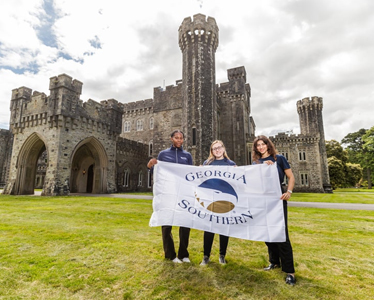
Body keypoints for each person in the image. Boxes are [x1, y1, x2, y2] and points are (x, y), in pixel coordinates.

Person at [252, 135, 296, 286]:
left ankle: (290, 271)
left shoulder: (279, 159)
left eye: (263, 144)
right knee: (267, 233)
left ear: (268, 145)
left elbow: (291, 177)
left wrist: (289, 192)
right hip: (263, 201)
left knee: (281, 234)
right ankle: (274, 262)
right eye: (258, 145)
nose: (261, 147)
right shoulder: (256, 163)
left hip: (277, 200)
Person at [147, 130, 193, 263]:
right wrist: (150, 166)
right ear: (171, 138)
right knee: (166, 223)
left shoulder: (187, 156)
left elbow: (191, 174)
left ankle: (183, 254)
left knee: (185, 223)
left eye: (181, 138)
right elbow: (157, 171)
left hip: (183, 193)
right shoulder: (163, 154)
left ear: (183, 140)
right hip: (168, 193)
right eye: (176, 138)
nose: (179, 140)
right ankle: (170, 255)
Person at [199, 140, 236, 266]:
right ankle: (206, 256)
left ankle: (222, 255)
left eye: (219, 147)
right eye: (214, 148)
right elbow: (202, 181)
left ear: (223, 148)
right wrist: (199, 172)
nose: (217, 150)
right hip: (211, 200)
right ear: (212, 151)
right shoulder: (207, 163)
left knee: (224, 228)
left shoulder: (230, 164)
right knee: (208, 229)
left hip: (226, 200)